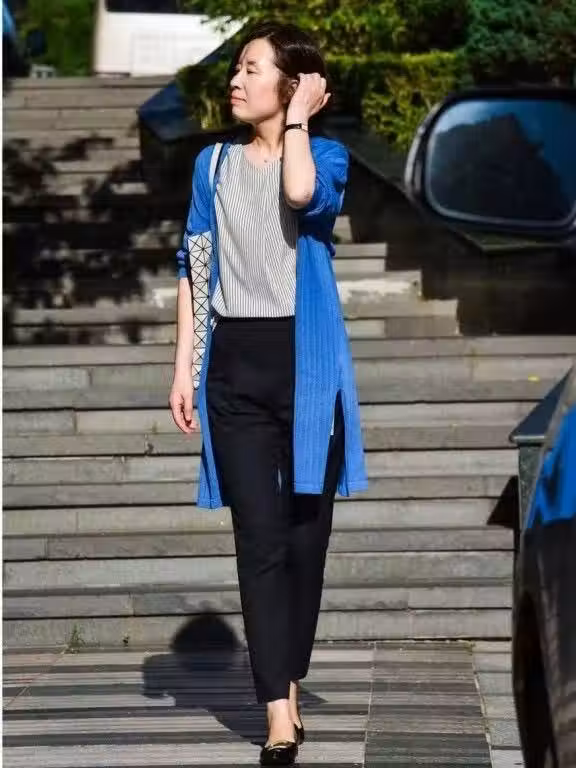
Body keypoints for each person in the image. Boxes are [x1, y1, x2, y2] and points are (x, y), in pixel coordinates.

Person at [169, 21, 368, 766]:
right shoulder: (211, 164)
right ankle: (278, 711)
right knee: (257, 538)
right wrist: (184, 366)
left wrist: (298, 122)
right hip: (235, 369)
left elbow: (300, 193)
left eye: (252, 68)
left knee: (304, 539)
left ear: (292, 85)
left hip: (307, 366)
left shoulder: (326, 156)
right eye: (237, 67)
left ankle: (287, 667)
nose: (236, 79)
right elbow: (194, 262)